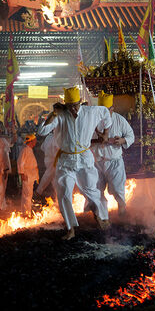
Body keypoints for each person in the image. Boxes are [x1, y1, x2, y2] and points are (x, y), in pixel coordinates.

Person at [37, 86, 112, 239]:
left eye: (76, 105)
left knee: (91, 190)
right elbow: (41, 132)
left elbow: (106, 114)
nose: (74, 109)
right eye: (70, 106)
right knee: (64, 194)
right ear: (65, 106)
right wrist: (52, 114)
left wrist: (105, 133)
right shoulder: (60, 116)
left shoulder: (91, 111)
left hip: (84, 159)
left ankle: (101, 217)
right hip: (66, 161)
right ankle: (71, 228)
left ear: (80, 103)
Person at [90, 93, 135, 215]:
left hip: (114, 162)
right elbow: (83, 140)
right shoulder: (92, 120)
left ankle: (122, 210)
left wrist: (122, 140)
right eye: (101, 110)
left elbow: (131, 136)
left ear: (112, 108)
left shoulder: (120, 120)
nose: (103, 113)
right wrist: (96, 141)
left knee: (117, 189)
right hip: (96, 162)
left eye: (107, 110)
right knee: (97, 189)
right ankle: (102, 216)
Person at [16, 133, 39, 213]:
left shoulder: (29, 149)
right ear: (31, 141)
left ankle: (26, 211)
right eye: (35, 140)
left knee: (28, 194)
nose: (36, 142)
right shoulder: (25, 150)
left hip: (31, 175)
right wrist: (22, 174)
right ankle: (26, 212)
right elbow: (20, 162)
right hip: (27, 175)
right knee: (27, 194)